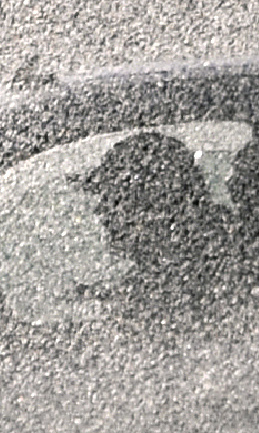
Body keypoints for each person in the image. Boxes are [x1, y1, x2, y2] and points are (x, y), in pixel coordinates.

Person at [77, 129, 238, 341]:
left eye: (112, 197)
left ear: (154, 201)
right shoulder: (168, 275)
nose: (101, 210)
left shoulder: (202, 283)